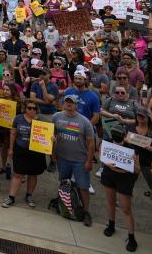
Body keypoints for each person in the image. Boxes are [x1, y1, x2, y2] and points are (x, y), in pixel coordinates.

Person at [51, 93, 96, 227]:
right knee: (64, 182)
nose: (69, 104)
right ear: (63, 103)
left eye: (72, 102)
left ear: (76, 105)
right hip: (62, 157)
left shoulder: (84, 122)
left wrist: (89, 161)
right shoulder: (56, 117)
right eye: (67, 102)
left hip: (80, 160)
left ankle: (86, 212)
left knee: (83, 187)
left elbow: (91, 143)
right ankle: (65, 204)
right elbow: (51, 135)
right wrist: (52, 153)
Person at [100, 125, 140, 252]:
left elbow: (137, 170)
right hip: (109, 176)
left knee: (126, 208)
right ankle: (111, 225)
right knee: (110, 202)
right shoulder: (106, 144)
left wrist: (134, 163)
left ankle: (131, 236)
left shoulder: (132, 150)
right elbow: (102, 157)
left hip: (125, 179)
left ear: (124, 136)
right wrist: (106, 163)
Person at [3, 98, 46, 208]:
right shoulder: (18, 119)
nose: (32, 110)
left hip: (36, 151)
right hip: (20, 149)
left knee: (33, 174)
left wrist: (52, 138)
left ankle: (29, 195)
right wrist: (11, 149)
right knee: (18, 174)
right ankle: (11, 197)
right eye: (29, 108)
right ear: (24, 108)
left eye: (34, 108)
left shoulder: (42, 120)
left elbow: (48, 135)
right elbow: (13, 134)